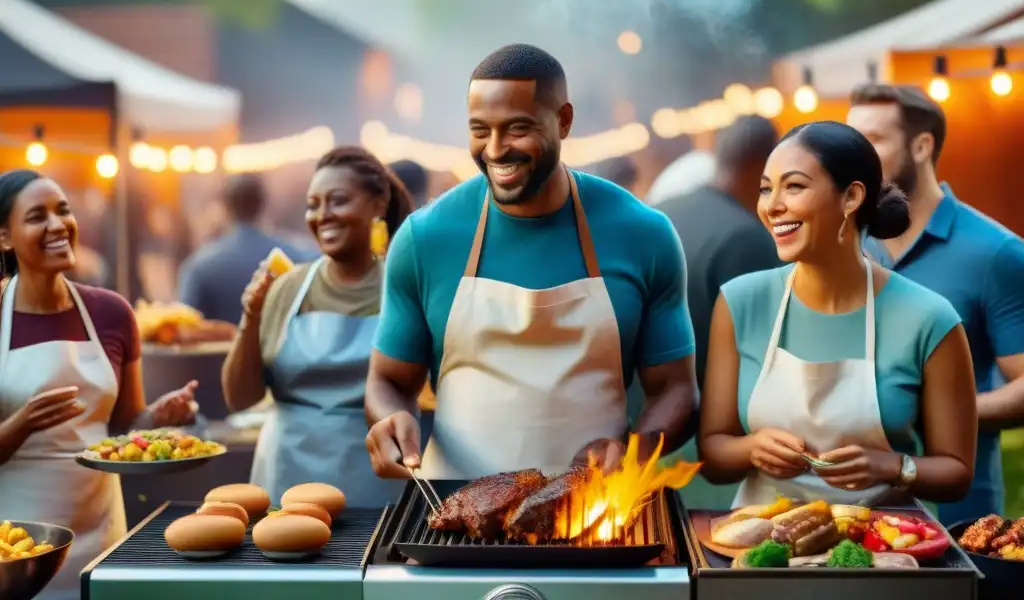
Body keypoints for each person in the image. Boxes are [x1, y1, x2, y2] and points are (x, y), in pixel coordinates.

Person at [365, 43, 699, 480]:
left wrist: (637, 450)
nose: (496, 149)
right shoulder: (424, 238)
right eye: (480, 130)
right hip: (455, 516)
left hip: (595, 514)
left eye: (517, 128)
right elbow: (388, 380)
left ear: (563, 121)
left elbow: (676, 388)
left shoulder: (643, 233)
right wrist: (391, 418)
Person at [698, 121, 977, 507]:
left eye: (793, 186)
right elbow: (713, 452)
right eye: (766, 188)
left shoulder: (929, 318)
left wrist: (892, 466)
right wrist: (750, 449)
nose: (772, 205)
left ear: (851, 197)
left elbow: (957, 472)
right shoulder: (740, 301)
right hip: (762, 549)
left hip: (887, 547)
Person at [0, 170, 197, 600]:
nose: (57, 225)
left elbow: (125, 426)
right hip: (16, 547)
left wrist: (157, 419)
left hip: (103, 534)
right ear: (4, 237)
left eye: (63, 210)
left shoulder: (112, 313)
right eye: (37, 216)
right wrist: (23, 424)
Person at [848, 84, 1024, 523]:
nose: (857, 159)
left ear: (922, 145)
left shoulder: (995, 252)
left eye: (873, 140)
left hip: (956, 517)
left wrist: (932, 413)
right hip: (852, 515)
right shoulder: (846, 244)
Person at [221, 147, 413, 507]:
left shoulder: (405, 286)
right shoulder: (287, 288)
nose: (323, 216)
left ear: (378, 205)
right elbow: (239, 398)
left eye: (338, 201)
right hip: (284, 482)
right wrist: (251, 317)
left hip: (379, 482)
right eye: (313, 204)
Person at [656, 116, 781, 389]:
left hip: (641, 411)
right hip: (703, 413)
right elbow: (764, 353)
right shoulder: (746, 238)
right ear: (764, 166)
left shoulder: (659, 213)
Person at [178, 174, 304, 323]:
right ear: (262, 204)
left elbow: (187, 325)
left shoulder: (199, 266)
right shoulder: (297, 257)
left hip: (225, 346)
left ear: (225, 207)